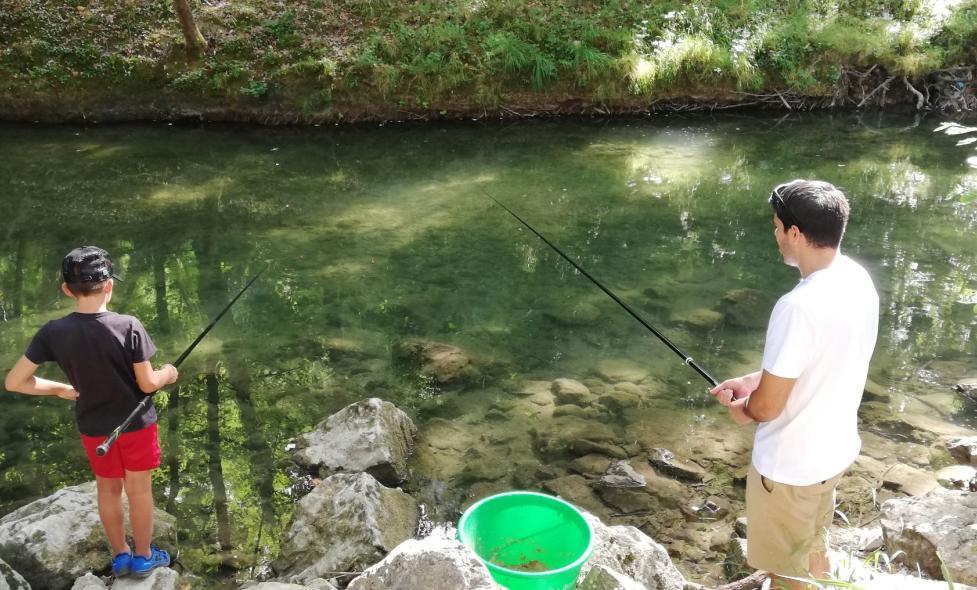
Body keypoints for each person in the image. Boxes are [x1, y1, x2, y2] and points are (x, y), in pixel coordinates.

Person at [709, 180, 879, 589]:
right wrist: (752, 380)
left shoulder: (797, 306)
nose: (775, 234)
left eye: (776, 226)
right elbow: (819, 361)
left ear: (796, 234)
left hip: (789, 468)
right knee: (813, 549)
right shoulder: (856, 279)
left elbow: (766, 408)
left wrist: (742, 409)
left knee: (787, 574)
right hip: (832, 456)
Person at [4, 246, 178, 578]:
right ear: (109, 284)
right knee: (139, 490)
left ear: (66, 289)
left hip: (94, 427)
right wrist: (168, 373)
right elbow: (147, 383)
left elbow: (15, 382)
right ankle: (144, 557)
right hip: (137, 425)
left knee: (107, 489)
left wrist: (59, 389)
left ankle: (120, 557)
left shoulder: (53, 332)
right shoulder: (128, 325)